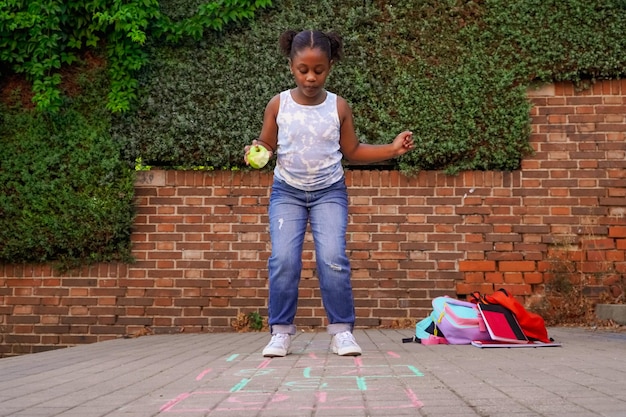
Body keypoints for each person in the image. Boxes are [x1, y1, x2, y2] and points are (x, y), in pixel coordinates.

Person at [244, 29, 414, 357]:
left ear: (330, 66)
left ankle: (341, 332)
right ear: (291, 67)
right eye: (302, 70)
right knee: (283, 260)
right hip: (287, 192)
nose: (310, 77)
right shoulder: (278, 104)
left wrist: (392, 149)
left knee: (333, 258)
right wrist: (255, 150)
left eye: (318, 70)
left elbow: (352, 151)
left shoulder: (339, 107)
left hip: (329, 193)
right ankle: (280, 332)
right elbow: (266, 143)